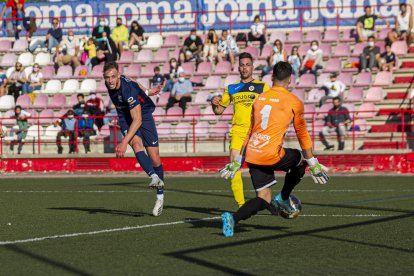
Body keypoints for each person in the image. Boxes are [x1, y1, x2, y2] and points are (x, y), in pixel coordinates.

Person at [219, 61, 329, 237]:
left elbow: (249, 130)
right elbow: (302, 134)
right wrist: (313, 162)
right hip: (271, 154)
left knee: (263, 198)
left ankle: (233, 218)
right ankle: (284, 197)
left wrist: (238, 160)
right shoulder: (294, 101)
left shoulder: (260, 98)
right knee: (301, 159)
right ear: (290, 79)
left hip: (253, 153)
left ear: (272, 77)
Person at [103, 61, 165, 216]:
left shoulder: (127, 90)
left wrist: (123, 142)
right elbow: (134, 80)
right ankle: (154, 177)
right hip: (125, 117)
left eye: (112, 77)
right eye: (107, 78)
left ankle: (160, 197)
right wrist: (148, 90)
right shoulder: (111, 83)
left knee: (155, 159)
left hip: (142, 114)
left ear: (117, 75)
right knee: (136, 144)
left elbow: (137, 120)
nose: (110, 80)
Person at [211, 52, 270, 207]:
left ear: (252, 67)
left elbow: (272, 107)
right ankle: (241, 205)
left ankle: (263, 200)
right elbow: (218, 111)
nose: (245, 68)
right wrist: (213, 102)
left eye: (247, 65)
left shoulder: (262, 86)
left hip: (256, 132)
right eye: (242, 65)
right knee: (234, 167)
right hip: (238, 131)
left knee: (259, 169)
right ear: (238, 67)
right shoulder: (231, 88)